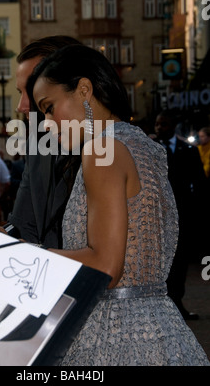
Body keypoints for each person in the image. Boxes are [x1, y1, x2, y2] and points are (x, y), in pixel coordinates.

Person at [25, 43, 209, 366]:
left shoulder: (101, 150)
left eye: (49, 107)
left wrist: (30, 257)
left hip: (111, 334)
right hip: (162, 328)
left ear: (84, 89)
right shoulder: (143, 145)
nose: (45, 123)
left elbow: (106, 268)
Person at [0, 36, 82, 247]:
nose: (21, 106)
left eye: (32, 91)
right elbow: (22, 224)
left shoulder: (108, 147)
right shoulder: (36, 145)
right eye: (19, 92)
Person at [154, 110, 208, 319]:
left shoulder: (189, 150)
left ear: (173, 126)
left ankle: (177, 302)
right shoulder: (149, 149)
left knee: (180, 261)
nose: (160, 128)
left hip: (183, 214)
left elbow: (200, 182)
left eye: (164, 124)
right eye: (158, 124)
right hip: (156, 214)